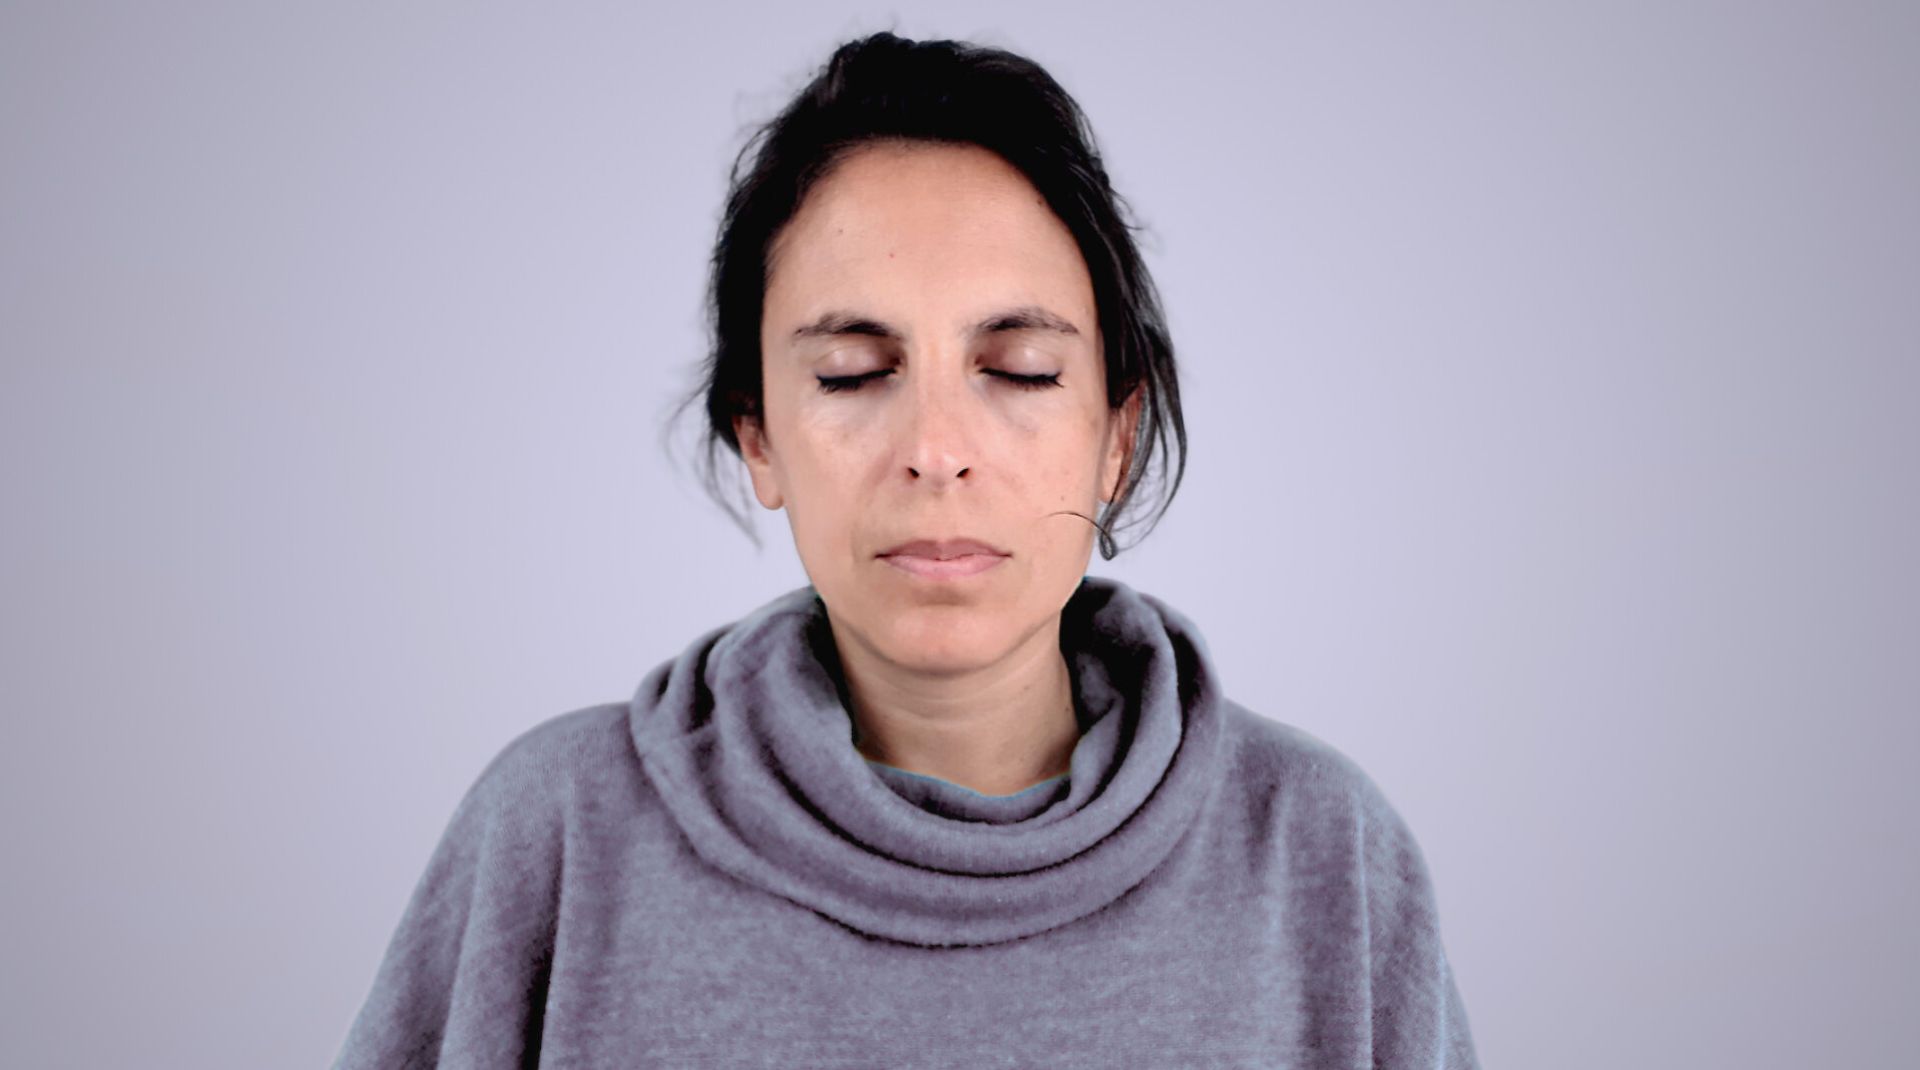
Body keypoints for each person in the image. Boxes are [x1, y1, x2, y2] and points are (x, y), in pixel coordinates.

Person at [331, 30, 1481, 1068]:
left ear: (1116, 439)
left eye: (1020, 369)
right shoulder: (558, 833)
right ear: (758, 435)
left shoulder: (1323, 854)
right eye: (851, 373)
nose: (936, 450)